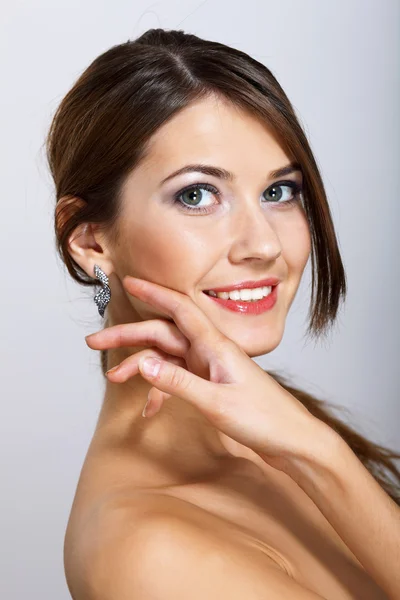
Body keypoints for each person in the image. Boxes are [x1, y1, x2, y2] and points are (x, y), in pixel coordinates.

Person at [46, 28, 400, 599]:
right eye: (197, 195)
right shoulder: (151, 555)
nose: (263, 244)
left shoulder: (271, 426)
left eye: (279, 191)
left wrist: (314, 447)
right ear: (90, 240)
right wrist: (319, 454)